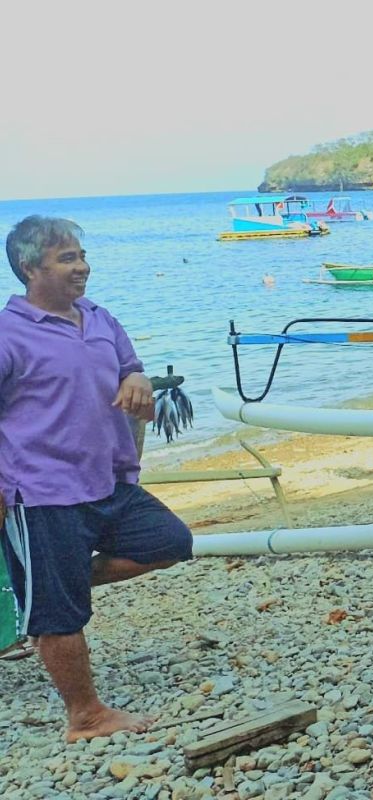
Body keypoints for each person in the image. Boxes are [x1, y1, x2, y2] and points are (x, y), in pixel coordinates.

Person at [0, 216, 193, 740]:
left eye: (82, 255)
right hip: (39, 493)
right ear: (29, 266)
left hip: (108, 481)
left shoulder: (99, 317)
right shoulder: (7, 333)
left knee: (171, 540)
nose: (82, 267)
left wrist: (134, 377)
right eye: (67, 258)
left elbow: (131, 365)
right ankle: (85, 716)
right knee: (60, 615)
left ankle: (49, 589)